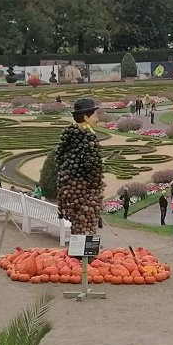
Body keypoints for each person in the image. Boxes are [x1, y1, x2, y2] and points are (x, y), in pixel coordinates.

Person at [52, 97, 106, 239]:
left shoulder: (70, 134)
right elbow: (93, 166)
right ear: (86, 117)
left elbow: (59, 157)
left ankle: (78, 249)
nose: (97, 119)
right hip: (83, 192)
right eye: (95, 115)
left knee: (78, 225)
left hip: (68, 190)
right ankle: (84, 251)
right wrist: (95, 186)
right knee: (86, 224)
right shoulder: (88, 137)